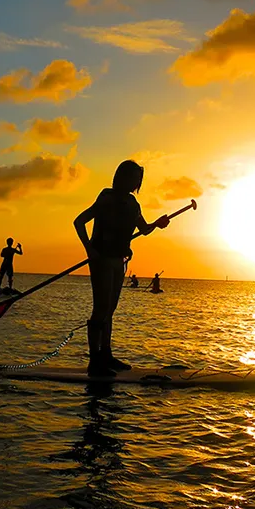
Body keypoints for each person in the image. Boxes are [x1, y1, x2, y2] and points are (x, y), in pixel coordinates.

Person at [74, 160, 169, 376]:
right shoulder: (106, 198)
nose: (137, 182)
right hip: (101, 260)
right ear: (122, 177)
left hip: (118, 261)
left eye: (138, 179)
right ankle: (94, 360)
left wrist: (157, 224)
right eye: (134, 177)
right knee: (101, 309)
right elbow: (79, 221)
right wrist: (89, 249)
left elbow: (143, 229)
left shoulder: (133, 204)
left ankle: (106, 355)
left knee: (110, 310)